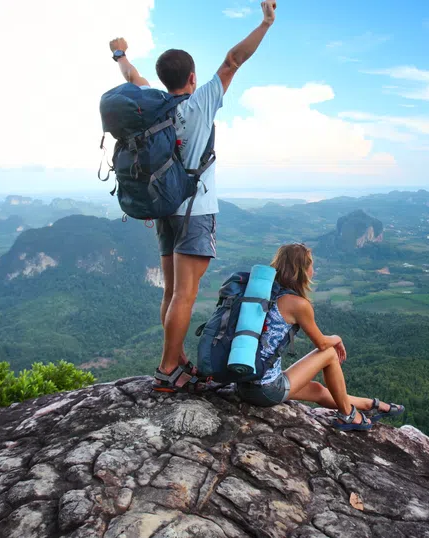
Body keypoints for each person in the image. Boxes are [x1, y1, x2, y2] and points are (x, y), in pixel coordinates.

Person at [108, 2, 277, 393]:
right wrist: (265, 22)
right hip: (194, 211)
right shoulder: (200, 103)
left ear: (164, 79)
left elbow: (133, 76)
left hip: (164, 208)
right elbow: (234, 59)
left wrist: (120, 55)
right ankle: (168, 369)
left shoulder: (153, 107)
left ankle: (176, 356)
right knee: (186, 294)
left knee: (171, 292)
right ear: (192, 76)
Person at [235, 243, 405, 431]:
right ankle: (348, 415)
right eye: (311, 266)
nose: (313, 270)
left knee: (317, 390)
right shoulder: (297, 304)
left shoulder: (262, 294)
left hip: (243, 383)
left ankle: (372, 405)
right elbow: (322, 343)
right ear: (302, 270)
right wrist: (337, 338)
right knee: (330, 354)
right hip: (265, 389)